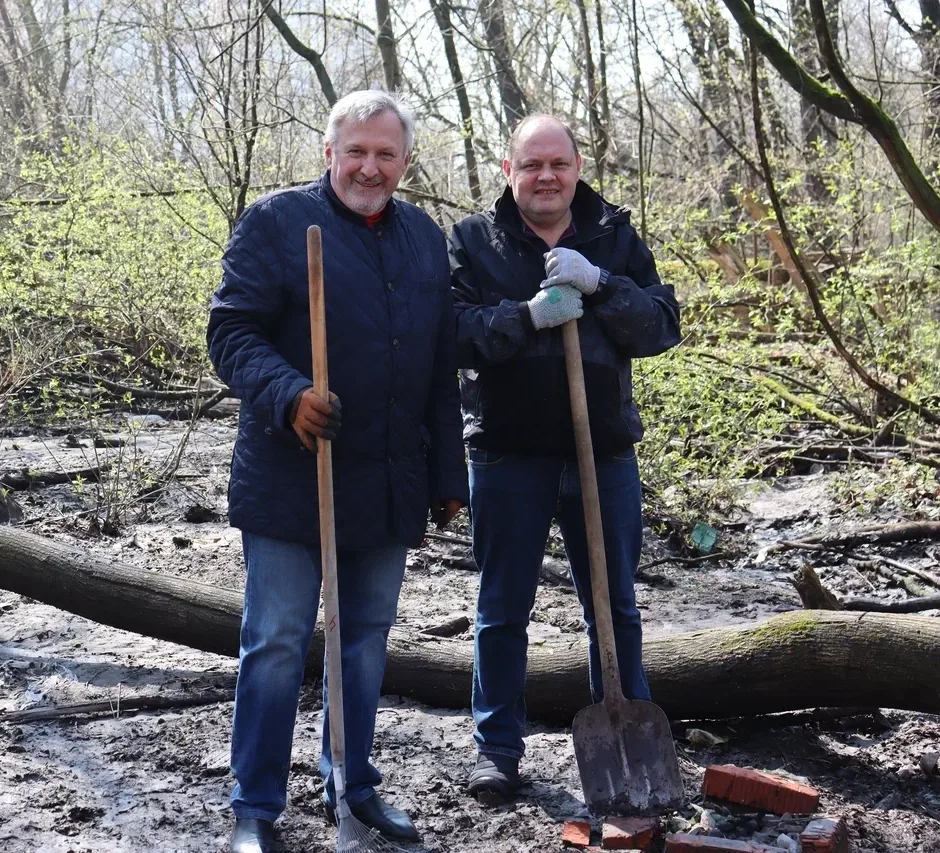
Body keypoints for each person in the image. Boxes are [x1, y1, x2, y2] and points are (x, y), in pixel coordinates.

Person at [207, 90, 467, 853]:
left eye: (385, 154)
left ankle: (351, 783)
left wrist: (447, 475)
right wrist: (289, 394)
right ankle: (255, 805)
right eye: (356, 151)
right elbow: (230, 331)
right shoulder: (277, 223)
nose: (369, 167)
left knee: (364, 640)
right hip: (292, 475)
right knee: (277, 640)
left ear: (405, 162)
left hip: (387, 481)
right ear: (329, 153)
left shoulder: (425, 241)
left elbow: (438, 368)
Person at [447, 114, 681, 801]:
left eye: (558, 164)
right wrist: (526, 316)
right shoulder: (472, 241)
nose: (545, 176)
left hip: (601, 452)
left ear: (578, 168)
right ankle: (497, 748)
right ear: (508, 171)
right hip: (505, 453)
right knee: (502, 609)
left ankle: (626, 723)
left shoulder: (613, 236)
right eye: (531, 164)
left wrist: (602, 283)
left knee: (615, 604)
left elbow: (661, 328)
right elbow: (452, 336)